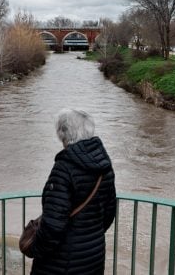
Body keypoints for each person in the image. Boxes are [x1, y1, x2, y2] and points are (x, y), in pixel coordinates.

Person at [29, 109, 117, 275]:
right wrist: (89, 236)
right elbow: (109, 213)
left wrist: (34, 249)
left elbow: (52, 226)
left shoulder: (64, 168)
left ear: (63, 134)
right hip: (94, 255)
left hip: (61, 262)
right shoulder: (104, 165)